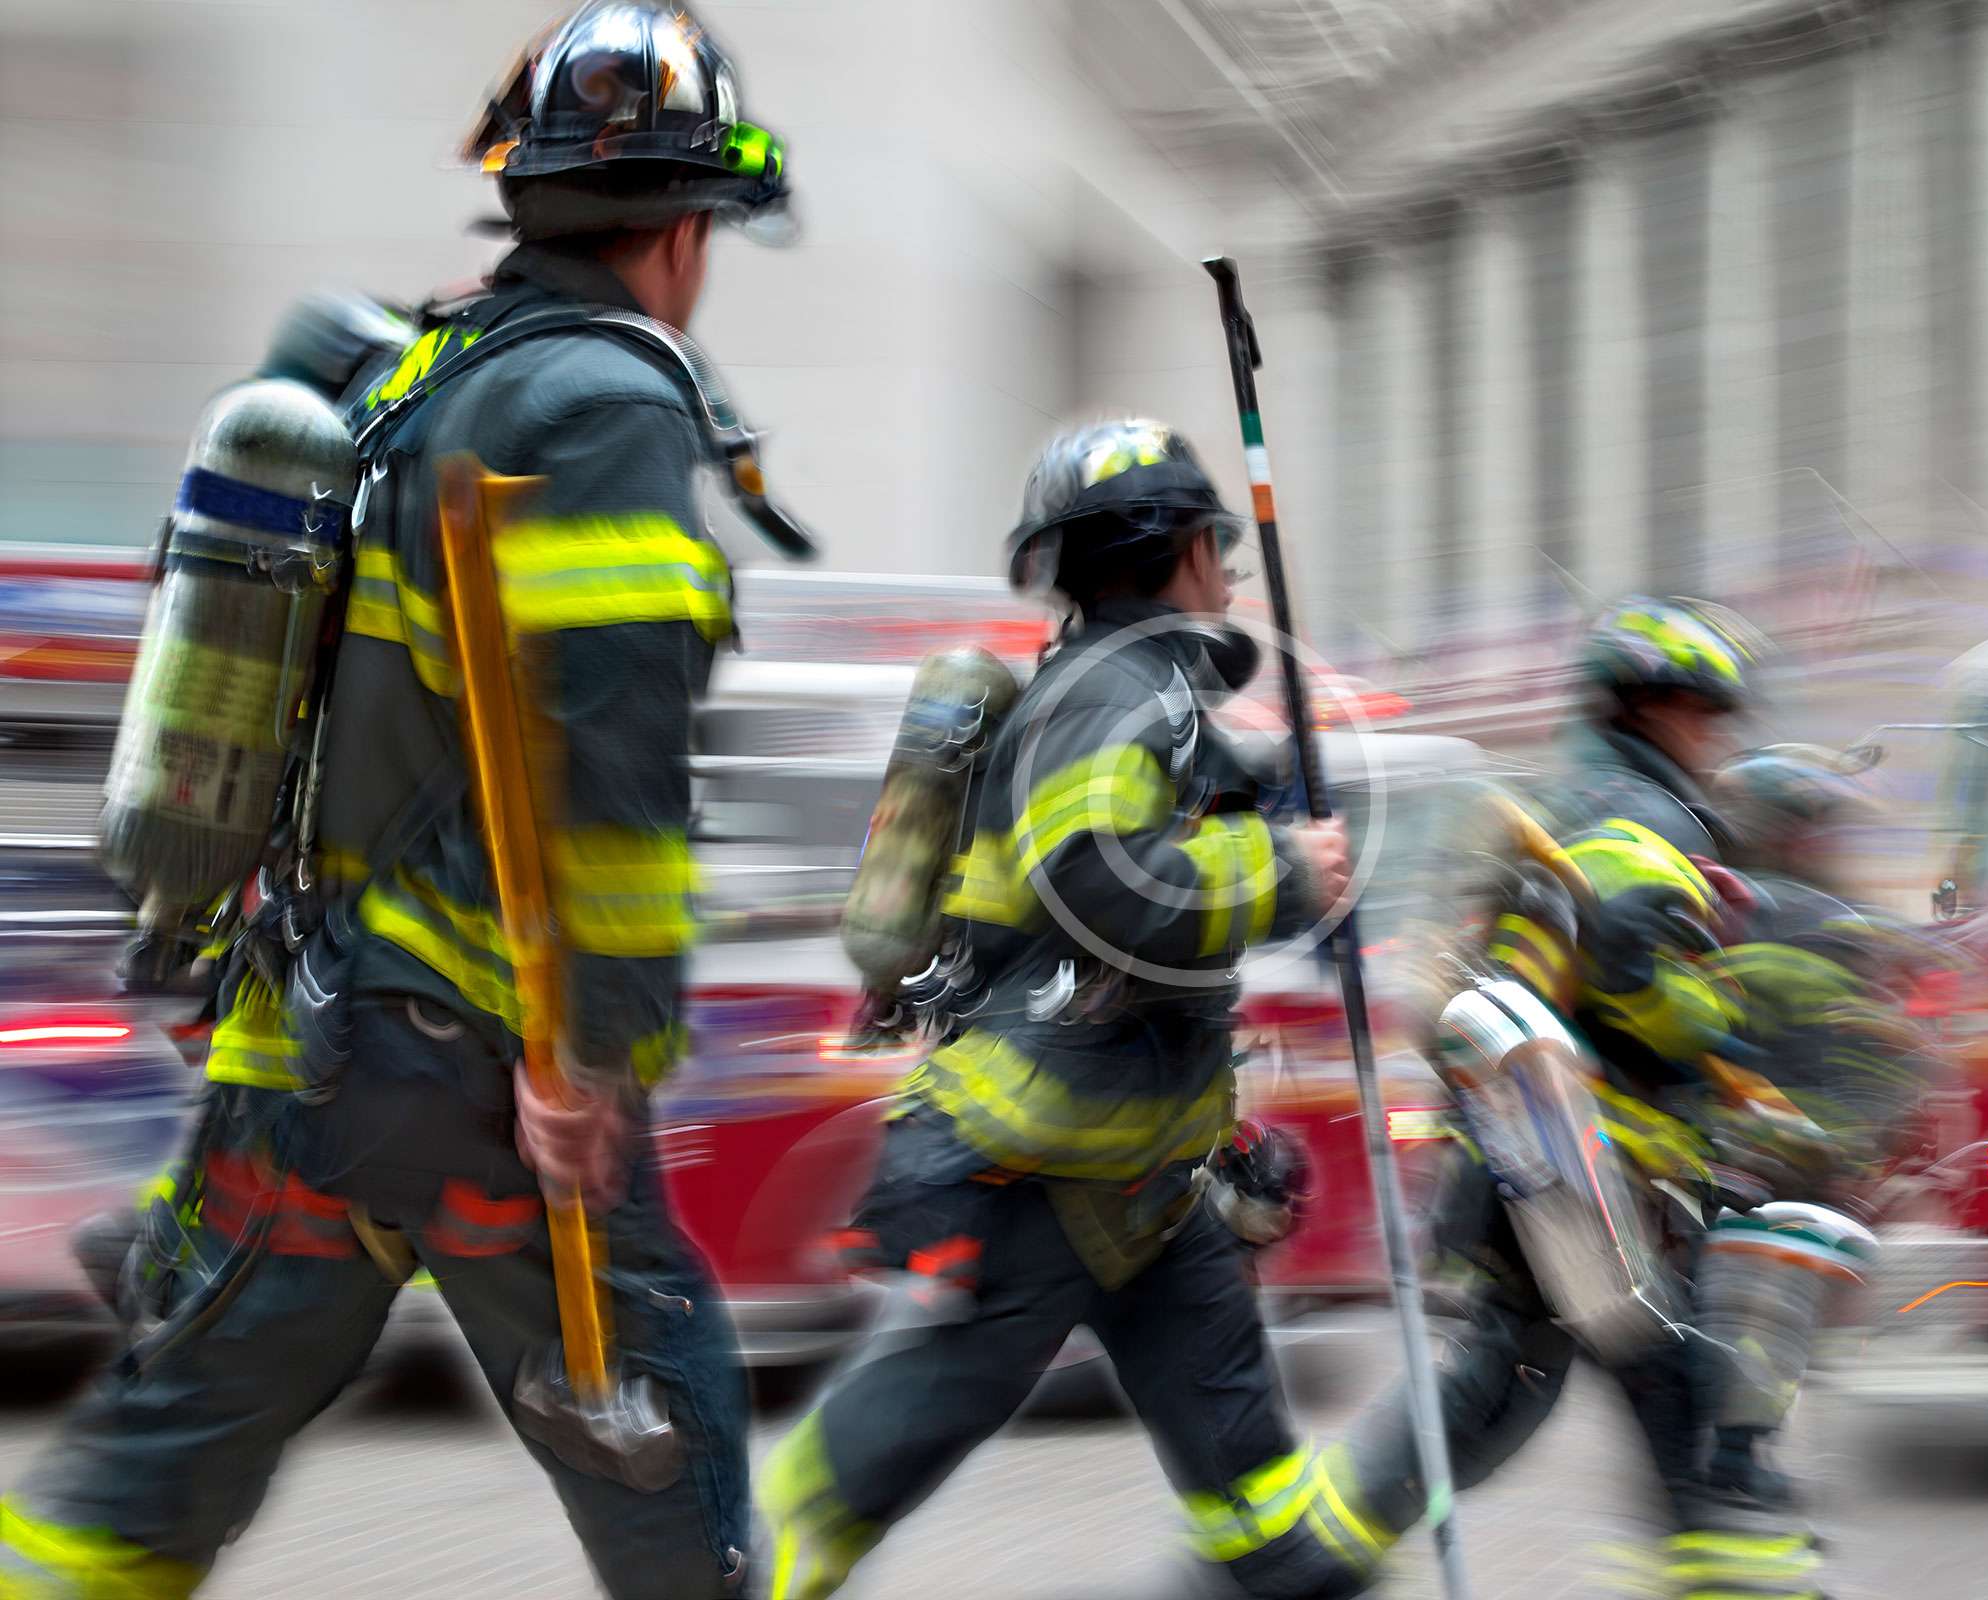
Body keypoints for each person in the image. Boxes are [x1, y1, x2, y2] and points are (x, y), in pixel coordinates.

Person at [1, 5, 794, 1594]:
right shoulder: (603, 409)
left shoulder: (413, 380)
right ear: (689, 227)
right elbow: (610, 778)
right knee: (673, 1484)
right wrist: (593, 1053)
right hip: (488, 1058)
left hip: (300, 1035)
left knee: (151, 1470)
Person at [759, 418, 1369, 1600]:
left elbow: (1171, 877)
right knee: (878, 1457)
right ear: (1181, 551)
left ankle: (1289, 1570)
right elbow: (1101, 879)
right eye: (1217, 544)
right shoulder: (1113, 701)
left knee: (1262, 1504)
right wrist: (1288, 875)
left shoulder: (1136, 695)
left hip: (1143, 1174)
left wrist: (1285, 829)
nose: (1232, 568)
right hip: (1044, 1172)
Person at [1335, 597, 1845, 1600]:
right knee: (1643, 1395)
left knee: (1510, 1393)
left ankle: (1314, 1547)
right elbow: (1625, 963)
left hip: (1550, 1169)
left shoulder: (1575, 800)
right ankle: (1303, 1554)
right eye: (1706, 713)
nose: (1717, 737)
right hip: (1602, 1181)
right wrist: (1714, 1019)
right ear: (1651, 708)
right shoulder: (1641, 814)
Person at [1696, 746, 1940, 1548]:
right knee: (1771, 1319)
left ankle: (1727, 1457)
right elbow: (1883, 1047)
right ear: (1789, 831)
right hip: (1784, 1157)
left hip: (1735, 1150)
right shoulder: (1819, 919)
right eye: (1816, 825)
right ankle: (1732, 1463)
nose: (1825, 841)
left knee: (1745, 1320)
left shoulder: (1713, 902)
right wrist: (1857, 1150)